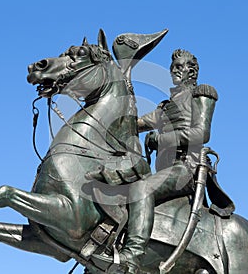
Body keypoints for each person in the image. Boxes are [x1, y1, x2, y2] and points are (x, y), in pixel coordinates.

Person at [94, 49, 219, 274]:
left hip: (186, 168)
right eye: (173, 67)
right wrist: (104, 115)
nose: (174, 71)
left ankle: (132, 256)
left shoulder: (202, 93)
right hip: (164, 170)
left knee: (141, 189)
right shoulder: (164, 106)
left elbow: (202, 132)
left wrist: (162, 138)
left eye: (180, 67)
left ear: (192, 71)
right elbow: (136, 124)